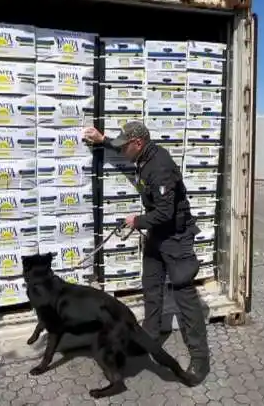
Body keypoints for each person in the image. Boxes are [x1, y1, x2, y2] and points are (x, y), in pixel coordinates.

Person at [82, 121, 210, 384]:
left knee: (185, 297)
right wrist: (103, 139)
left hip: (176, 238)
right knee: (151, 288)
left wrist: (136, 221)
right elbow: (121, 148)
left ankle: (200, 359)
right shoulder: (142, 154)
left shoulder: (160, 166)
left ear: (137, 144)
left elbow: (165, 212)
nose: (122, 150)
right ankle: (149, 339)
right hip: (157, 236)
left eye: (124, 146)